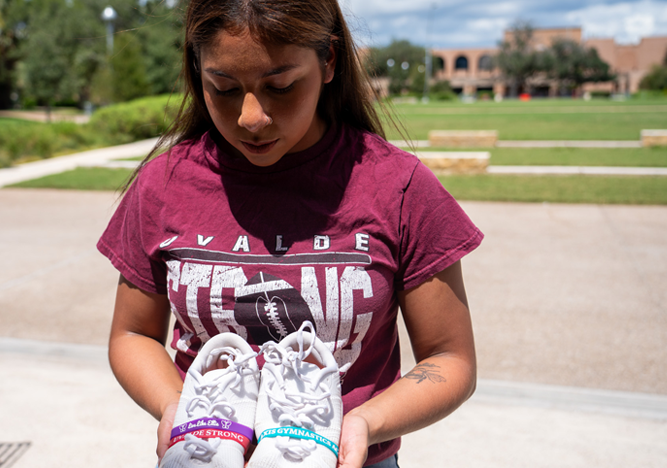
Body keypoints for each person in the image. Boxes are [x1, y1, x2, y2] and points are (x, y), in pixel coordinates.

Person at [97, 1, 483, 467]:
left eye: (280, 86)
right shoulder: (164, 184)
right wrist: (174, 408)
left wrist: (361, 423)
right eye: (223, 87)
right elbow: (133, 334)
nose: (251, 117)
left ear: (329, 62)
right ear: (196, 68)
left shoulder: (398, 186)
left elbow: (450, 358)